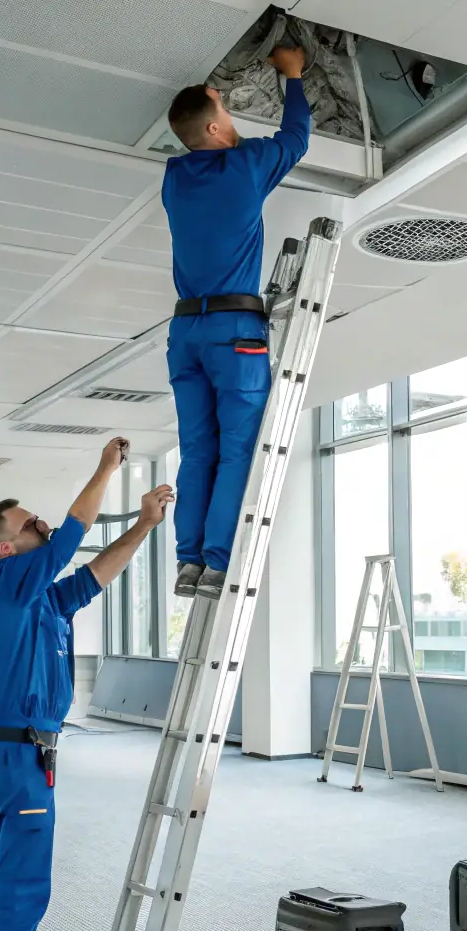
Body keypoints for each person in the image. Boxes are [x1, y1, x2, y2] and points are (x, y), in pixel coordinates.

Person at [0, 438, 173, 931]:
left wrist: (143, 526)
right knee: (21, 887)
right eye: (29, 523)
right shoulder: (4, 581)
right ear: (7, 546)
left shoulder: (40, 600)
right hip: (18, 759)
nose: (41, 523)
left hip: (11, 755)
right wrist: (106, 468)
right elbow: (68, 540)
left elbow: (97, 571)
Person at [162, 43, 310, 601]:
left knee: (200, 450)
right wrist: (291, 75)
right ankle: (217, 564)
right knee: (236, 450)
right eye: (225, 115)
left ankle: (189, 562)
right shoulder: (244, 167)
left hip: (188, 335)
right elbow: (295, 137)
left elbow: (214, 138)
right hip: (231, 334)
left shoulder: (176, 178)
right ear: (217, 129)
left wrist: (213, 103)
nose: (232, 121)